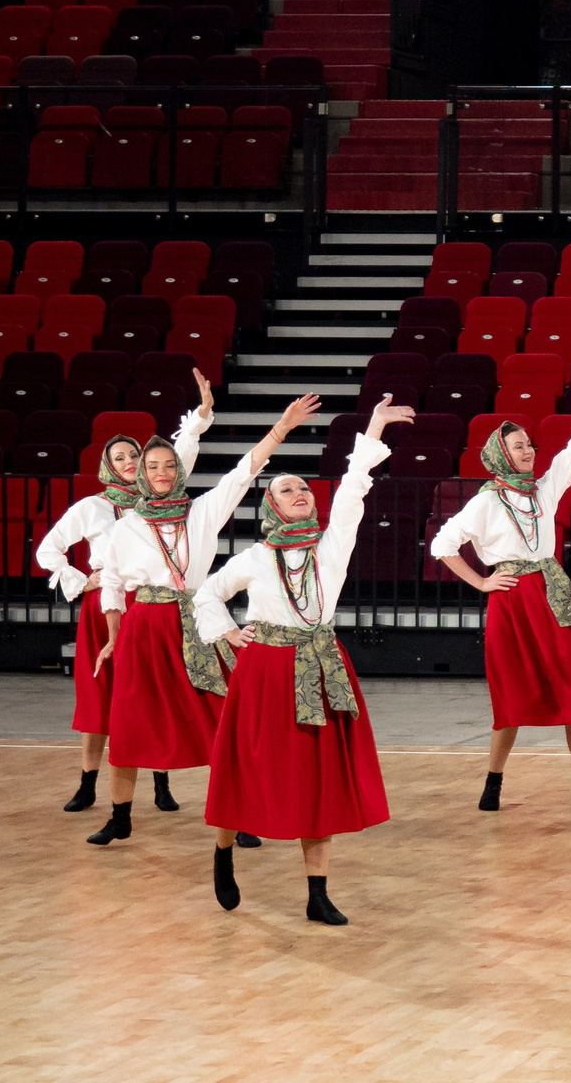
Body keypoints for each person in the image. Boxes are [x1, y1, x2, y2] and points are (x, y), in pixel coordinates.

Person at [192, 395, 407, 923]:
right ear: (272, 507)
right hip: (265, 671)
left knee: (319, 781)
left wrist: (374, 427)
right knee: (245, 769)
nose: (300, 494)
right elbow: (205, 595)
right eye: (287, 489)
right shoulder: (256, 557)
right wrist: (227, 635)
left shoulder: (331, 546)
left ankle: (317, 892)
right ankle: (223, 853)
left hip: (322, 665)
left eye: (305, 487)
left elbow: (354, 491)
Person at [85, 381, 323, 847]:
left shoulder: (201, 512)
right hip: (144, 629)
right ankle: (120, 817)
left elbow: (242, 472)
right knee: (129, 725)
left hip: (195, 625)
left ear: (179, 471)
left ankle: (242, 816)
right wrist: (113, 636)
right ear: (139, 474)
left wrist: (281, 428)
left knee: (223, 722)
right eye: (151, 465)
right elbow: (112, 584)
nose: (159, 471)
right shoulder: (127, 526)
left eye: (168, 464)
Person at [430, 362, 571, 813]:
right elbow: (443, 545)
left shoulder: (543, 490)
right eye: (519, 446)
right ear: (501, 455)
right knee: (513, 697)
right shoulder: (483, 501)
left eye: (529, 444)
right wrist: (482, 581)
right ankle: (493, 782)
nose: (528, 451)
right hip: (513, 600)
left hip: (554, 596)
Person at [34, 431, 145, 813]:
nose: (129, 461)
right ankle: (87, 784)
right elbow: (48, 549)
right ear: (107, 467)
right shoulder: (91, 507)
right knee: (99, 696)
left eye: (134, 454)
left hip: (149, 603)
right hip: (103, 606)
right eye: (120, 457)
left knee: (151, 694)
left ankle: (162, 783)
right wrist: (82, 581)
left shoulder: (159, 504)